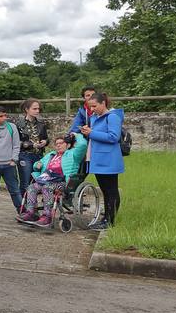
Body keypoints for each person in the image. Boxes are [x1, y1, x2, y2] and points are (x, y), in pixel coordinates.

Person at [18, 133, 85, 225]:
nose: (58, 145)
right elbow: (38, 164)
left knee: (47, 188)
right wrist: (37, 165)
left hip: (63, 182)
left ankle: (47, 216)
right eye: (56, 144)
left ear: (68, 145)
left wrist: (76, 135)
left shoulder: (73, 154)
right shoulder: (51, 155)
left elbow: (83, 145)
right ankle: (31, 213)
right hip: (46, 179)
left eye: (61, 143)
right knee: (31, 188)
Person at [82, 92, 124, 229]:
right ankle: (106, 217)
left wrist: (91, 133)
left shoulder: (113, 117)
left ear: (103, 103)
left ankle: (110, 222)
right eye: (90, 107)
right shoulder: (95, 118)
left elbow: (113, 137)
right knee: (105, 191)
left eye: (94, 106)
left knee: (111, 191)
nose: (92, 109)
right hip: (98, 159)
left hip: (109, 160)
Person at [16, 98, 50, 196]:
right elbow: (15, 142)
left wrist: (45, 142)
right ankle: (23, 207)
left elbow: (46, 138)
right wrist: (31, 144)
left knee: (36, 182)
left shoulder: (41, 124)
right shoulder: (19, 124)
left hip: (39, 156)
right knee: (25, 181)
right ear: (27, 109)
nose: (37, 111)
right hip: (24, 155)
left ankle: (32, 206)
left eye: (38, 109)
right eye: (34, 109)